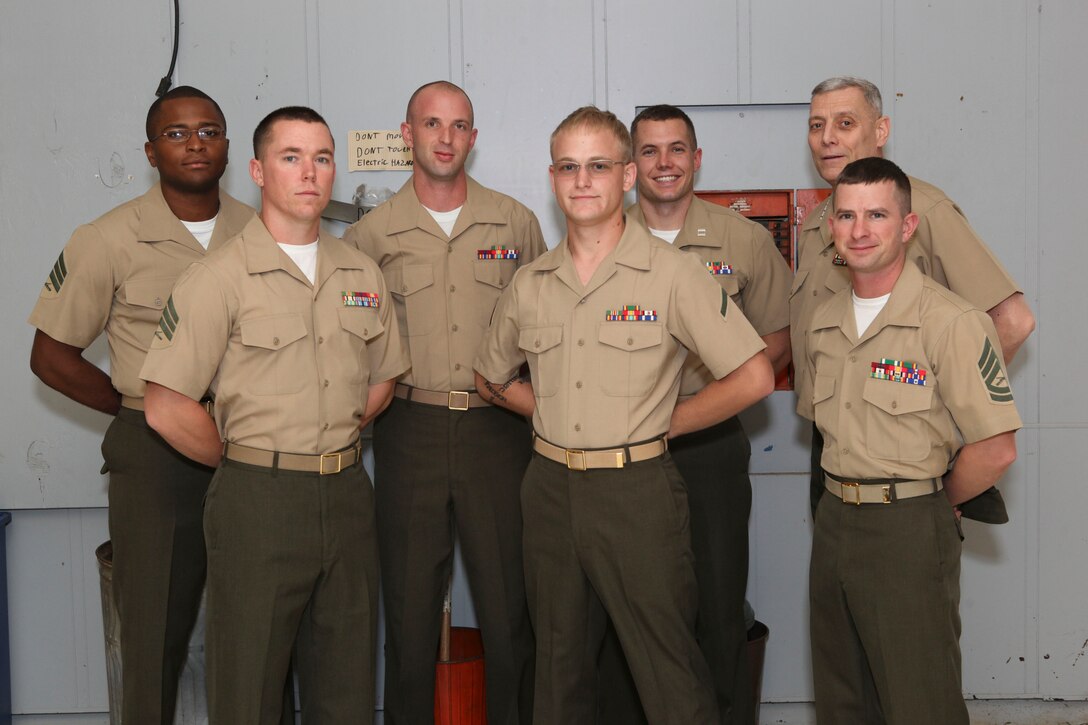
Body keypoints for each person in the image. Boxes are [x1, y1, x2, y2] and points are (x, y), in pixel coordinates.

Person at [474, 106, 775, 725]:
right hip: (550, 491)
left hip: (637, 491)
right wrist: (549, 412)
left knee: (666, 668)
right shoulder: (531, 283)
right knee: (558, 671)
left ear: (627, 176)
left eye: (598, 166)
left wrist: (670, 421)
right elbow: (488, 376)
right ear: (553, 177)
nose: (582, 181)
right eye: (568, 167)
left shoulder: (673, 275)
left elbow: (755, 375)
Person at [140, 106, 408, 724]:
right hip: (257, 502)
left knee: (345, 689)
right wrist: (249, 463)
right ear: (259, 171)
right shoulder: (218, 278)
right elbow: (164, 405)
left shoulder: (360, 272)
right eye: (291, 157)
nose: (309, 173)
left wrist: (326, 440)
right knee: (249, 690)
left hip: (345, 495)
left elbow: (385, 376)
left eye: (321, 157)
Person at [27, 86, 253, 725]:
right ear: (151, 151)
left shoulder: (260, 233)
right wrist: (136, 410)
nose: (195, 143)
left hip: (252, 449)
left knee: (262, 630)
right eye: (177, 134)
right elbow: (50, 357)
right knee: (153, 634)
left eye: (208, 130)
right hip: (157, 459)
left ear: (229, 147)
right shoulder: (108, 238)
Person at [342, 80, 544, 724]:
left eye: (459, 126)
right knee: (408, 614)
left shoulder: (515, 222)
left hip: (498, 433)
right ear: (408, 134)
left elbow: (544, 331)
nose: (445, 138)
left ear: (474, 138)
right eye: (432, 124)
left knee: (511, 611)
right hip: (410, 429)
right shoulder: (371, 236)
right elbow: (354, 347)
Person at [799, 157, 1021, 724]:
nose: (859, 229)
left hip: (909, 524)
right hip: (834, 522)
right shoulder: (823, 322)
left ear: (907, 226)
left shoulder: (951, 322)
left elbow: (996, 448)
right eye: (845, 216)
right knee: (842, 695)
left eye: (877, 214)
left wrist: (933, 506)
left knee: (919, 699)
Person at [596, 104, 792, 725]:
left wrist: (718, 398)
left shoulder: (743, 240)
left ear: (697, 158)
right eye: (649, 150)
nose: (664, 163)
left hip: (708, 446)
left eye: (676, 149)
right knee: (629, 602)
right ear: (630, 167)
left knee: (716, 596)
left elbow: (778, 336)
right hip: (620, 450)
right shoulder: (597, 237)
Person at [791, 76, 1034, 520]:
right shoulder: (820, 221)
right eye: (816, 125)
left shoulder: (923, 208)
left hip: (903, 455)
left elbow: (1013, 321)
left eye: (845, 123)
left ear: (880, 131)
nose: (827, 138)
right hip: (834, 445)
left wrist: (949, 419)